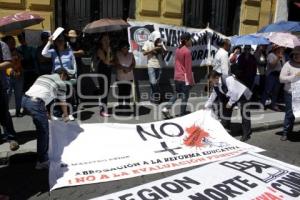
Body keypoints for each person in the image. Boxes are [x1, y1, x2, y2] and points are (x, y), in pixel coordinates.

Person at [22, 68, 70, 169]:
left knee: (42, 127)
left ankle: (42, 156)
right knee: (43, 132)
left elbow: (40, 92)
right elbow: (62, 102)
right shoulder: (60, 83)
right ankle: (42, 161)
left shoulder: (43, 76)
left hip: (25, 100)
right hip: (36, 104)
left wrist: (45, 112)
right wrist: (66, 115)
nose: (65, 80)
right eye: (66, 77)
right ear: (62, 75)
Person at [204, 70, 252, 141]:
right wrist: (206, 106)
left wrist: (230, 103)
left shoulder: (228, 79)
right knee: (226, 112)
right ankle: (228, 128)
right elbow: (213, 96)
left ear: (216, 77)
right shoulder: (216, 84)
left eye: (211, 81)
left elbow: (235, 93)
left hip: (243, 94)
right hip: (232, 96)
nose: (211, 83)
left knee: (245, 114)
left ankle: (246, 134)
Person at [42, 34, 77, 119]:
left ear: (65, 41)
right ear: (55, 42)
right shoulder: (53, 52)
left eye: (61, 40)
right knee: (58, 95)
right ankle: (60, 112)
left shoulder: (69, 52)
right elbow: (43, 53)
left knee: (69, 95)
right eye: (58, 41)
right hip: (56, 76)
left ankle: (69, 113)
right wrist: (49, 42)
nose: (60, 42)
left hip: (67, 76)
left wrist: (75, 75)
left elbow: (74, 65)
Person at [162, 33, 194, 118]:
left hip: (177, 76)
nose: (191, 41)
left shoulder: (178, 49)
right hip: (184, 78)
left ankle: (166, 108)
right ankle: (182, 114)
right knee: (184, 97)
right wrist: (191, 81)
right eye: (190, 40)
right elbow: (188, 68)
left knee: (177, 94)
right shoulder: (187, 52)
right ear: (186, 41)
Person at [0, 40, 19, 151]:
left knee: (3, 113)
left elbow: (8, 62)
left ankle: (11, 138)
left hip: (0, 85)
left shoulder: (2, 45)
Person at [279, 46, 300, 141]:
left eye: (298, 54)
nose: (296, 56)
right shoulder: (288, 64)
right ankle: (286, 132)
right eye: (295, 54)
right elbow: (281, 79)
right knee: (290, 113)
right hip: (290, 93)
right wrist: (294, 76)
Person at [142, 31, 166, 104]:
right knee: (153, 82)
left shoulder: (161, 42)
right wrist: (153, 49)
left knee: (156, 83)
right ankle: (159, 95)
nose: (157, 40)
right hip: (151, 65)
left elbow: (164, 54)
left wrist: (162, 49)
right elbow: (144, 53)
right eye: (156, 39)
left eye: (158, 39)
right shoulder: (148, 42)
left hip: (159, 65)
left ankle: (154, 99)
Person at [2, 36, 24, 117]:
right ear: (6, 43)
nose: (13, 43)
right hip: (8, 77)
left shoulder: (18, 50)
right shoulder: (3, 53)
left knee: (19, 95)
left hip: (19, 75)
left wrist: (17, 56)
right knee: (7, 95)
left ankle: (18, 111)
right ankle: (5, 112)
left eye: (13, 41)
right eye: (10, 42)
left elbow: (22, 59)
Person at [94, 34, 113, 117]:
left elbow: (111, 60)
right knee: (103, 90)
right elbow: (106, 61)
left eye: (108, 39)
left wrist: (109, 51)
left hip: (108, 71)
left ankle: (104, 107)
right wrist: (108, 51)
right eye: (105, 39)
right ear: (101, 41)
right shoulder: (100, 50)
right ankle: (102, 110)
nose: (107, 41)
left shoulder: (109, 49)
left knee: (106, 90)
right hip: (102, 72)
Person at [261, 45, 285, 111]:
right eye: (279, 48)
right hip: (271, 74)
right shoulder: (271, 55)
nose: (281, 49)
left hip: (279, 74)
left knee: (276, 91)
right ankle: (262, 104)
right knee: (268, 90)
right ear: (275, 49)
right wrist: (277, 58)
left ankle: (273, 104)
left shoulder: (282, 56)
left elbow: (283, 66)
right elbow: (272, 65)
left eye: (281, 48)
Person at [114, 41, 135, 108]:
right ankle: (120, 105)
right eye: (123, 47)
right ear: (121, 48)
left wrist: (130, 68)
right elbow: (116, 64)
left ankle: (127, 105)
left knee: (127, 92)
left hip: (129, 76)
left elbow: (133, 63)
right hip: (120, 77)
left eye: (126, 47)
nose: (125, 49)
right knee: (121, 92)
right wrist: (124, 68)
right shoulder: (118, 54)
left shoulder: (131, 54)